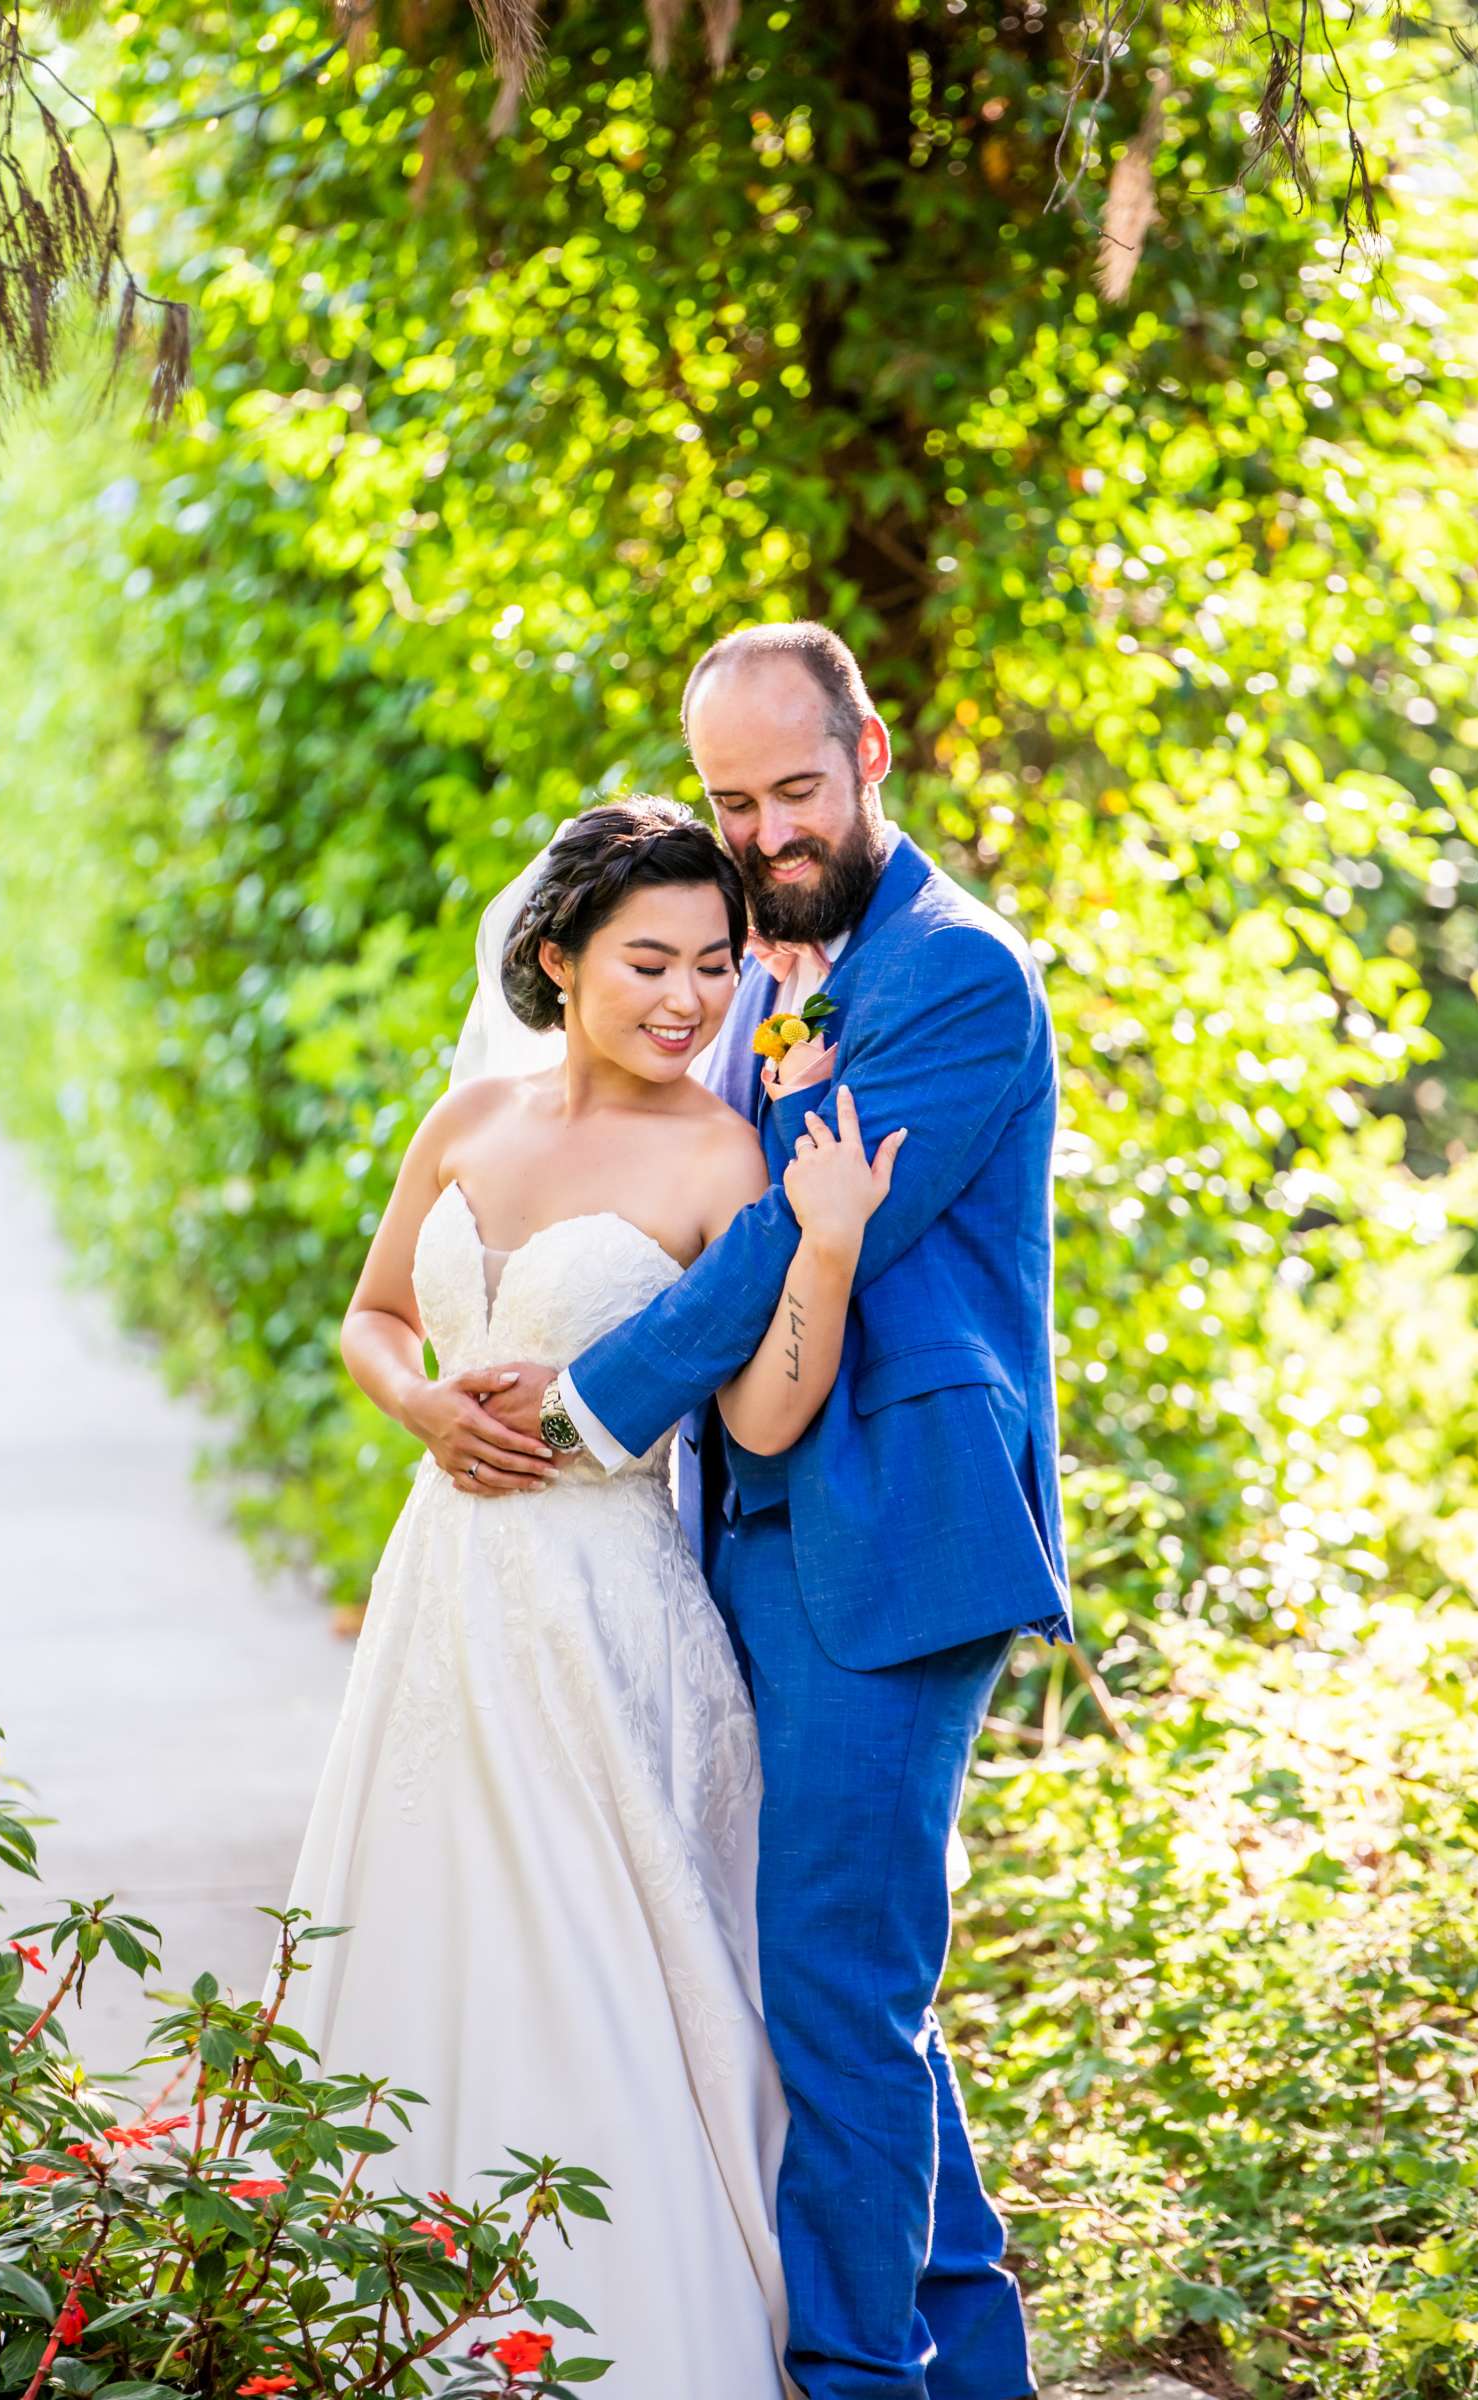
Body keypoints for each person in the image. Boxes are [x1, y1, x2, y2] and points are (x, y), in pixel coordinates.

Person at [480, 623, 1073, 2400]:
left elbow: (790, 1243)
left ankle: (851, 2379)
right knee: (833, 1979)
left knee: (831, 1975)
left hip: (893, 1539)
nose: (763, 829)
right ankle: (963, 2370)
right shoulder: (765, 967)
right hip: (742, 1528)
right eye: (731, 800)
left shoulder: (958, 977)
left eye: (794, 789)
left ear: (873, 752)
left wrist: (593, 1399)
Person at [271, 797, 903, 2400]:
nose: (687, 999)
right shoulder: (469, 1123)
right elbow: (370, 1316)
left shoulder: (723, 1153)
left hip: (608, 1610)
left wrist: (820, 1249)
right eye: (647, 963)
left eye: (711, 962)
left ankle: (628, 2333)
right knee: (433, 1926)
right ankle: (414, 2320)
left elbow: (760, 1419)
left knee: (597, 1953)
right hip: (448, 1590)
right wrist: (420, 1408)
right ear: (558, 960)